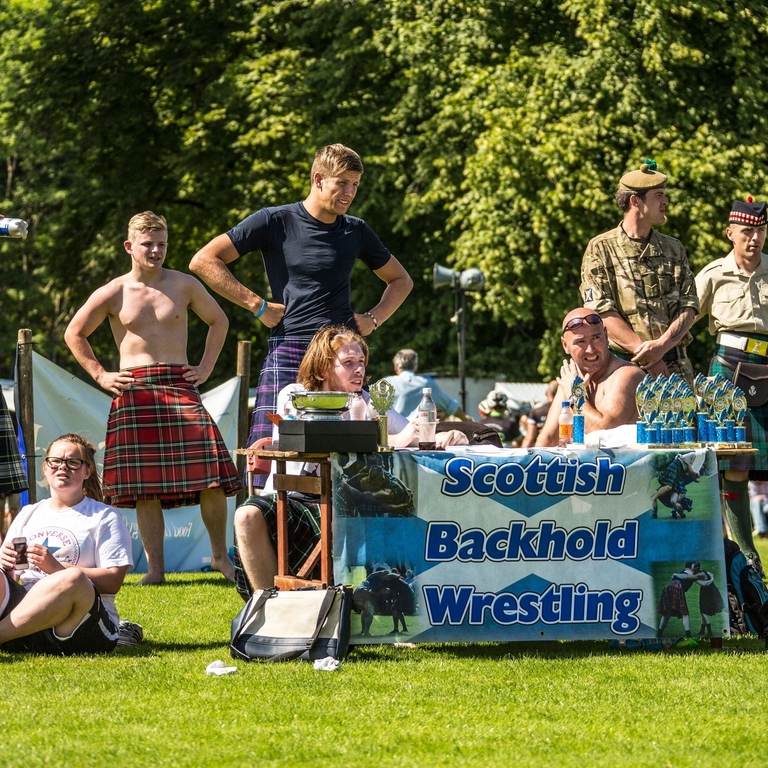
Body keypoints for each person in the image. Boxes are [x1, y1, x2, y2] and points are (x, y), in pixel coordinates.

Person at [189, 144, 413, 483]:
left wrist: (375, 317)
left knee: (352, 457)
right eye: (342, 183)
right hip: (290, 346)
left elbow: (401, 280)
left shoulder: (356, 230)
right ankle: (263, 524)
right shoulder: (274, 220)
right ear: (318, 179)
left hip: (341, 354)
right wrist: (256, 305)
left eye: (355, 185)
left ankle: (337, 530)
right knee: (270, 456)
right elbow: (203, 260)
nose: (350, 192)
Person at [64, 211, 240, 585]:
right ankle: (156, 570)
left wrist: (206, 368)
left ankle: (220, 557)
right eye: (148, 244)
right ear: (130, 246)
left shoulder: (185, 285)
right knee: (145, 487)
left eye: (162, 244)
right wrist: (100, 373)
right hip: (135, 388)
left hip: (179, 383)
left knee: (210, 475)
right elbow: (74, 332)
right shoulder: (114, 291)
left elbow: (219, 320)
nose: (156, 250)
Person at [233, 326, 467, 596]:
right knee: (246, 514)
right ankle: (271, 608)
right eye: (348, 363)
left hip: (343, 504)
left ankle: (392, 603)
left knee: (393, 509)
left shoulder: (368, 400)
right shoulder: (296, 395)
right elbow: (323, 437)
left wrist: (445, 435)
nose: (359, 370)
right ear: (322, 368)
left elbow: (410, 433)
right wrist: (392, 439)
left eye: (362, 363)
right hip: (293, 498)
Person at [0, 433, 132, 654]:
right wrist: (6, 563)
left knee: (72, 578)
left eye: (73, 462)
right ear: (45, 467)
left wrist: (57, 568)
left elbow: (113, 582)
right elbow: (16, 575)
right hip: (28, 617)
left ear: (87, 471)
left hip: (79, 623)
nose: (63, 467)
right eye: (56, 461)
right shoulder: (28, 514)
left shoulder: (104, 516)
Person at [695, 198, 768, 570]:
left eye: (759, 230)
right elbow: (684, 321)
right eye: (746, 231)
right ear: (731, 234)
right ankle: (746, 555)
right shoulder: (712, 274)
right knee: (734, 465)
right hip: (728, 369)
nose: (753, 238)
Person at [579, 159, 699, 383]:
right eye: (658, 195)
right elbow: (600, 311)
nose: (666, 201)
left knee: (683, 420)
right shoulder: (601, 248)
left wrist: (662, 347)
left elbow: (690, 305)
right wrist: (649, 357)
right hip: (622, 370)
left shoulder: (674, 249)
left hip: (675, 369)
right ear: (635, 200)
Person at [535, 309, 645, 447]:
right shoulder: (571, 379)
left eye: (596, 338)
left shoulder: (627, 374)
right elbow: (549, 439)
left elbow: (600, 432)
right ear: (565, 345)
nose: (590, 349)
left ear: (606, 335)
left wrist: (575, 394)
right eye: (580, 341)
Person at [385, 349, 469, 421]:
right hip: (420, 435)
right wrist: (466, 420)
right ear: (416, 366)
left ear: (395, 367)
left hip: (393, 435)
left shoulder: (386, 383)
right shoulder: (427, 383)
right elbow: (450, 406)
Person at [656, 564, 698, 639]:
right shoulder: (691, 573)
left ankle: (659, 633)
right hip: (677, 587)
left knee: (667, 612)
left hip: (668, 587)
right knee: (685, 613)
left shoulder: (682, 571)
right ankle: (689, 636)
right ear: (691, 567)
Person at [522, 380, 557, 448]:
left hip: (540, 451)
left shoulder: (536, 411)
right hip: (561, 451)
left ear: (546, 393)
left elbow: (529, 437)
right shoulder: (567, 410)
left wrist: (520, 456)